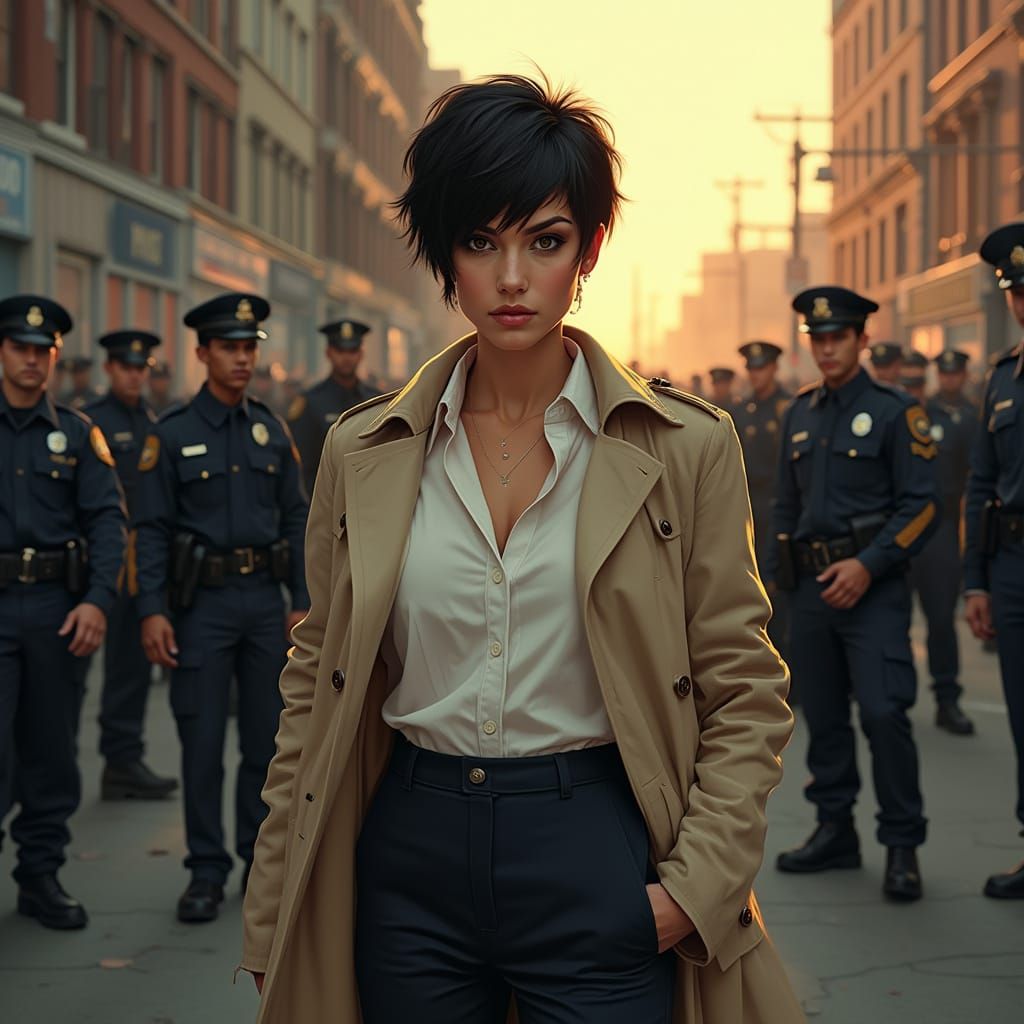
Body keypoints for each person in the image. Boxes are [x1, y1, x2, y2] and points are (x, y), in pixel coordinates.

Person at [240, 74, 802, 1024]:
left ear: (586, 252)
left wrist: (691, 891)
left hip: (593, 845)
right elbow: (318, 676)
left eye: (544, 241)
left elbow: (744, 690)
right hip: (408, 861)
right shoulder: (363, 449)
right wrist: (275, 904)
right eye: (480, 240)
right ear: (444, 258)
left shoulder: (685, 447)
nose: (510, 278)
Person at [134, 292, 309, 924]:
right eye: (229, 349)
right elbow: (149, 530)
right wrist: (152, 610)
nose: (241, 360)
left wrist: (301, 600)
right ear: (203, 352)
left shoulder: (271, 428)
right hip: (201, 607)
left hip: (264, 605)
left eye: (248, 348)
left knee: (267, 745)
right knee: (202, 744)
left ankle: (257, 867)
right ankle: (205, 870)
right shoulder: (172, 435)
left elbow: (296, 517)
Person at [770, 285, 938, 902]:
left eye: (838, 337)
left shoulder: (896, 412)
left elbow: (922, 507)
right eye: (818, 338)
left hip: (873, 592)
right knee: (825, 719)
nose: (827, 348)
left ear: (862, 340)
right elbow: (784, 507)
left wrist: (868, 566)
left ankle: (902, 845)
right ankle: (834, 829)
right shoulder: (800, 412)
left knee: (885, 714)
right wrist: (774, 584)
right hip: (811, 592)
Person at [0, 295, 126, 929]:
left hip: (56, 612)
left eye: (42, 351)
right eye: (21, 348)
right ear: (2, 352)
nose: (32, 360)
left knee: (50, 751)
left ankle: (40, 876)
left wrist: (97, 600)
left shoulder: (77, 434)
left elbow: (108, 520)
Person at [83, 331, 179, 798]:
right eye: (126, 367)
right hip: (100, 562)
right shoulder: (92, 421)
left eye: (141, 368)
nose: (134, 375)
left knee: (132, 666)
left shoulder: (151, 421)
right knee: (75, 672)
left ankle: (122, 761)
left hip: (142, 563)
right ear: (110, 369)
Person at [965, 222, 1024, 898]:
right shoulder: (1003, 379)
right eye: (1016, 291)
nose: (1023, 301)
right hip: (1011, 567)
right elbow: (981, 485)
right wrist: (976, 580)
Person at [907, 349, 977, 736]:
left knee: (940, 620)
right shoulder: (894, 420)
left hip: (939, 530)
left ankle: (947, 699)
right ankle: (893, 696)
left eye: (918, 382)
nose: (912, 389)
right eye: (906, 383)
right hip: (896, 533)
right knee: (892, 618)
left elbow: (974, 482)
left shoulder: (951, 420)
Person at [731, 341, 793, 670]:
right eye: (752, 369)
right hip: (748, 510)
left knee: (779, 590)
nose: (756, 375)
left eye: (762, 368)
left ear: (774, 368)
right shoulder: (742, 411)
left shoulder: (789, 409)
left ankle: (785, 666)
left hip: (780, 508)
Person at [287, 319, 381, 493]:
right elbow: (301, 464)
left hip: (368, 498)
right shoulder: (310, 402)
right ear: (329, 353)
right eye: (340, 351)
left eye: (352, 351)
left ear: (361, 354)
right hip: (324, 500)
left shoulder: (376, 400)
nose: (346, 358)